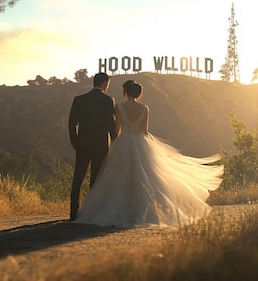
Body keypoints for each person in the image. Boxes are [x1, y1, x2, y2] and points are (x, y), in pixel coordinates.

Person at [73, 79, 223, 228]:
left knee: (119, 178)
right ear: (138, 93)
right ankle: (146, 210)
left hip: (123, 142)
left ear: (125, 92)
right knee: (146, 178)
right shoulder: (145, 108)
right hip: (140, 142)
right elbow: (144, 131)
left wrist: (113, 144)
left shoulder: (119, 107)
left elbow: (116, 130)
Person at [68, 72, 117, 221]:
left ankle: (73, 212)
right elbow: (110, 124)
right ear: (105, 84)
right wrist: (116, 141)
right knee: (95, 180)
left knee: (78, 177)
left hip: (82, 144)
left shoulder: (79, 99)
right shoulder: (108, 100)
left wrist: (74, 141)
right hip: (101, 145)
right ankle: (90, 212)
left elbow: (72, 123)